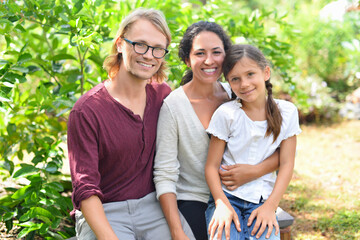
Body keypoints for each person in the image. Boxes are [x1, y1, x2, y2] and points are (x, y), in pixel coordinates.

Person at [67, 8, 193, 240]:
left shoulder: (163, 96)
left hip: (154, 208)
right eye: (140, 44)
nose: (149, 55)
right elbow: (85, 189)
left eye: (158, 49)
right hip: (104, 211)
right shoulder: (86, 111)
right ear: (119, 44)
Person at [154, 21, 280, 240]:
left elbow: (280, 150)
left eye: (216, 52)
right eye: (200, 53)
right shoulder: (173, 106)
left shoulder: (240, 90)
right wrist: (176, 230)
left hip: (243, 194)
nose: (209, 60)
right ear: (187, 59)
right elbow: (164, 175)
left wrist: (255, 171)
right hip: (194, 198)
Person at [205, 44, 302, 240]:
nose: (244, 84)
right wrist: (221, 204)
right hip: (227, 198)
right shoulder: (227, 114)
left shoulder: (287, 112)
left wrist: (270, 207)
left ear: (266, 72)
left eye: (250, 74)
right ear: (229, 83)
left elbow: (287, 163)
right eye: (235, 79)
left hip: (263, 201)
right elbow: (211, 167)